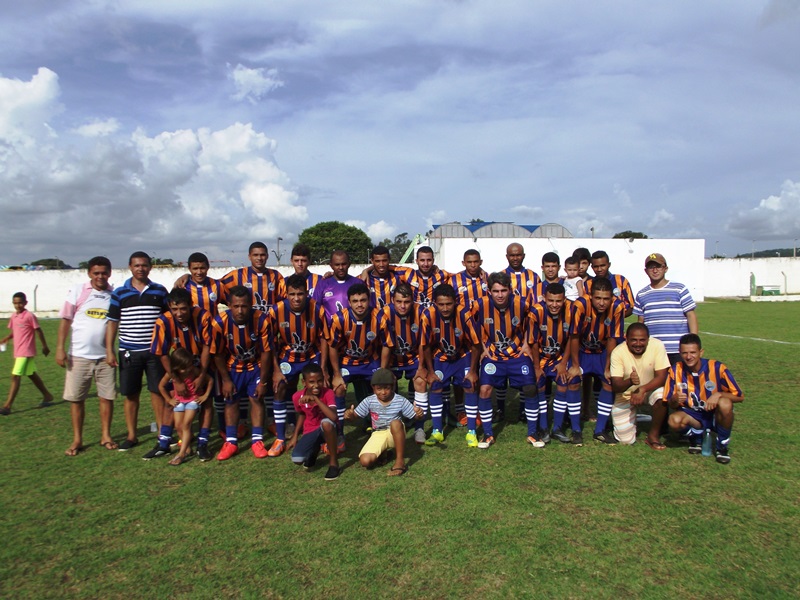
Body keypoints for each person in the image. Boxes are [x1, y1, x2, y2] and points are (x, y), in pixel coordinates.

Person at [105, 252, 168, 450]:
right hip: (129, 351)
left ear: (150, 267)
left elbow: (167, 319)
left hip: (154, 351)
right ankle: (132, 435)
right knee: (131, 394)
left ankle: (161, 433)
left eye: (144, 265)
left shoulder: (159, 291)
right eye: (137, 265)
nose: (141, 268)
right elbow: (113, 323)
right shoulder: (120, 293)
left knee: (158, 392)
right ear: (130, 267)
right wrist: (109, 349)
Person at [55, 257, 117, 455]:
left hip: (105, 356)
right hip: (79, 356)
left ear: (109, 273)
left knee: (107, 398)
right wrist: (60, 348)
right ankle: (77, 439)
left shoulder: (113, 294)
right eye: (96, 273)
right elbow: (65, 320)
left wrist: (110, 350)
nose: (100, 276)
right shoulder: (77, 291)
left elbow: (112, 324)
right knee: (77, 399)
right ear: (89, 273)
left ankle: (106, 435)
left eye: (104, 272)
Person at [471, 272, 540, 447]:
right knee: (485, 389)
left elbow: (533, 321)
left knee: (531, 388)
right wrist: (483, 348)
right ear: (489, 291)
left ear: (510, 290)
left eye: (503, 290)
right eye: (496, 291)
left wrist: (526, 344)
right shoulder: (480, 305)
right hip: (493, 356)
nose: (500, 295)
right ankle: (488, 434)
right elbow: (471, 325)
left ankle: (533, 433)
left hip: (517, 354)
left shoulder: (521, 304)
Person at [147, 288, 215, 461]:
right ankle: (163, 443)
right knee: (171, 400)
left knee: (206, 403)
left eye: (183, 308)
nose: (179, 313)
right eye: (174, 309)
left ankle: (202, 443)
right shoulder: (163, 321)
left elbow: (207, 346)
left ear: (190, 306)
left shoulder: (203, 316)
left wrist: (202, 375)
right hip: (178, 367)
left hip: (201, 364)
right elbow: (162, 353)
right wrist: (176, 379)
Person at [265, 274, 329, 457]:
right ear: (286, 293)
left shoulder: (317, 309)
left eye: (300, 294)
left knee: (320, 389)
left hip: (311, 355)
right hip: (288, 357)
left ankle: (324, 434)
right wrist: (276, 370)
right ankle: (280, 437)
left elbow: (324, 338)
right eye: (292, 294)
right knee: (280, 387)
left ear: (306, 294)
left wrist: (323, 368)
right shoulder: (276, 311)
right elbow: (270, 342)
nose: (296, 298)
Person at [210, 286, 271, 461]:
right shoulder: (219, 323)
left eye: (244, 306)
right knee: (231, 400)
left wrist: (263, 381)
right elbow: (218, 354)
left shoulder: (261, 320)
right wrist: (225, 380)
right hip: (232, 366)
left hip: (255, 365)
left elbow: (266, 352)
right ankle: (231, 442)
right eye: (236, 306)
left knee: (256, 398)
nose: (240, 310)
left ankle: (257, 441)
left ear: (251, 304)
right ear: (229, 305)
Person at [665, 334, 743, 464]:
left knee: (725, 403)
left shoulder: (717, 368)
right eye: (684, 353)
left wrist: (719, 394)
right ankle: (697, 436)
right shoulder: (675, 370)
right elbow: (671, 404)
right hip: (692, 415)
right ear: (680, 353)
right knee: (674, 420)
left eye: (693, 352)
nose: (689, 357)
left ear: (701, 352)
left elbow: (739, 396)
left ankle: (722, 446)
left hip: (713, 414)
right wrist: (674, 399)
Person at [326, 282, 386, 451]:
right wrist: (336, 374)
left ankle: (379, 427)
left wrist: (383, 369)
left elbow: (387, 345)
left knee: (382, 389)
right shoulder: (339, 318)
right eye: (355, 301)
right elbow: (333, 347)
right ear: (349, 302)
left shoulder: (379, 317)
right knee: (338, 389)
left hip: (370, 361)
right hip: (347, 362)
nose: (360, 304)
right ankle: (339, 433)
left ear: (369, 300)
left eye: (363, 300)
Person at [419, 284, 481, 447]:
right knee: (436, 385)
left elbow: (476, 344)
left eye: (449, 304)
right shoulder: (427, 315)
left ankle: (472, 431)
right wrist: (430, 371)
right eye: (441, 304)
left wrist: (473, 370)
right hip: (441, 355)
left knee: (469, 385)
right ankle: (437, 431)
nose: (445, 308)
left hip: (463, 355)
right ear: (434, 303)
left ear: (455, 302)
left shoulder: (464, 314)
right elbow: (425, 345)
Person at [571, 277, 625, 443]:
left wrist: (608, 367)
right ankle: (575, 430)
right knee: (572, 380)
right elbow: (574, 336)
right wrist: (574, 365)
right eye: (598, 298)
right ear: (590, 296)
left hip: (602, 351)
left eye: (606, 298)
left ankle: (600, 430)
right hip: (582, 350)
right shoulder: (580, 305)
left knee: (608, 382)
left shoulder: (617, 306)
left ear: (612, 298)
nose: (602, 303)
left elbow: (612, 339)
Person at [529, 283, 583, 445]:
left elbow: (572, 338)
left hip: (560, 357)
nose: (554, 305)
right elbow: (533, 343)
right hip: (540, 358)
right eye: (551, 300)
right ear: (544, 298)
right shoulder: (536, 311)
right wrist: (537, 368)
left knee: (567, 381)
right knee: (539, 384)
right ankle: (544, 427)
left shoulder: (572, 310)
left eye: (558, 301)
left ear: (564, 299)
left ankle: (560, 428)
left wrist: (564, 363)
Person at [344, 368, 424, 476]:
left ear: (393, 386)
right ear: (373, 388)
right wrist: (350, 415)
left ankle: (400, 462)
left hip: (395, 432)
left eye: (387, 388)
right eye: (379, 389)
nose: (383, 392)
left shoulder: (400, 400)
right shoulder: (369, 400)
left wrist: (419, 414)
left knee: (395, 423)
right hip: (378, 433)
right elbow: (355, 416)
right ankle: (384, 453)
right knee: (365, 461)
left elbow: (415, 416)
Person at [380, 282, 428, 444]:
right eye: (399, 302)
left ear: (412, 301)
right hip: (393, 358)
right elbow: (384, 344)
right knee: (387, 386)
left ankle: (419, 427)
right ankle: (391, 424)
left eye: (407, 302)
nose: (403, 306)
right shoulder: (385, 313)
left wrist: (421, 367)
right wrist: (384, 370)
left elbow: (423, 342)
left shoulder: (420, 312)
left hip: (413, 357)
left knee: (421, 381)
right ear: (393, 300)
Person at [609, 323, 669, 445]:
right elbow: (616, 386)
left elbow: (662, 377)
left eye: (642, 340)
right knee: (626, 440)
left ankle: (653, 435)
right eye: (634, 340)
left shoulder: (657, 345)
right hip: (626, 396)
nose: (638, 344)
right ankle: (633, 418)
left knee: (662, 395)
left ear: (648, 339)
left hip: (649, 391)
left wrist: (642, 389)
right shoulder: (617, 352)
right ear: (626, 338)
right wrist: (630, 381)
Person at [634, 252, 698, 363]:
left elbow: (691, 315)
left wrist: (693, 343)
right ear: (646, 271)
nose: (655, 270)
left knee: (680, 380)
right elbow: (641, 322)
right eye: (651, 267)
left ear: (665, 269)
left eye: (658, 266)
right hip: (654, 350)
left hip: (678, 350)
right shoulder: (641, 294)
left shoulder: (679, 289)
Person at [1, 292, 54, 416]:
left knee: (15, 376)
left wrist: (45, 346)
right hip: (18, 350)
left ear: (25, 303)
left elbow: (38, 330)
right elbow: (16, 331)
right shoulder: (14, 316)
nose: (18, 305)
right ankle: (47, 395)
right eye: (15, 303)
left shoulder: (29, 316)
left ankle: (7, 406)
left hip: (26, 351)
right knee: (31, 374)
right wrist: (7, 338)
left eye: (20, 303)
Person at [157, 348, 212, 465]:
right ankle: (187, 448)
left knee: (186, 425)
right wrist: (169, 400)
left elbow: (210, 379)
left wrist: (205, 395)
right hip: (179, 401)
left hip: (192, 400)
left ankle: (181, 454)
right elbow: (161, 386)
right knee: (178, 426)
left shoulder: (194, 371)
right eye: (183, 368)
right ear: (176, 367)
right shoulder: (172, 374)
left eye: (189, 366)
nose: (187, 370)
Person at [287, 363, 340, 480]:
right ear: (304, 382)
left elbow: (333, 417)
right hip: (311, 430)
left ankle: (333, 464)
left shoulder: (328, 393)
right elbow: (301, 414)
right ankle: (314, 449)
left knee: (326, 423)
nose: (316, 385)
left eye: (320, 381)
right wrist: (295, 435)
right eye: (311, 382)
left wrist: (316, 399)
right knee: (297, 459)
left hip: (329, 428)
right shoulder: (297, 397)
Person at [312, 250, 360, 320]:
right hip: (329, 330)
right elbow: (315, 309)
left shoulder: (358, 283)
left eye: (344, 264)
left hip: (352, 329)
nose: (340, 267)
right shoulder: (322, 284)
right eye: (337, 265)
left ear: (349, 264)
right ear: (331, 266)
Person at [586, 250, 634, 317]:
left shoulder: (621, 280)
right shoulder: (588, 284)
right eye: (596, 266)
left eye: (603, 265)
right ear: (592, 267)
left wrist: (616, 318)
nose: (599, 269)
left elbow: (631, 307)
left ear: (609, 265)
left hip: (616, 326)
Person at [184, 252, 224, 318]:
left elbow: (232, 304)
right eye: (195, 269)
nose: (199, 272)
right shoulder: (183, 287)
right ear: (189, 268)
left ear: (208, 267)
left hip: (213, 327)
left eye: (202, 268)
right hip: (192, 328)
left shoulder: (217, 285)